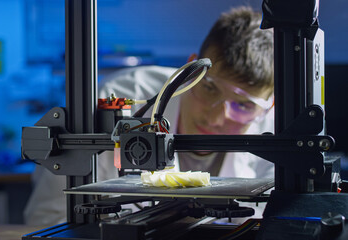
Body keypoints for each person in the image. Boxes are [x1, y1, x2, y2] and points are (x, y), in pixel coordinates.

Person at [24, 6, 275, 226]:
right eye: (209, 88)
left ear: (270, 106)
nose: (216, 117)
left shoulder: (275, 135)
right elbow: (51, 217)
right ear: (189, 70)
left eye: (243, 105)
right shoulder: (117, 102)